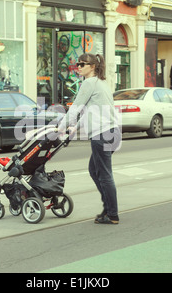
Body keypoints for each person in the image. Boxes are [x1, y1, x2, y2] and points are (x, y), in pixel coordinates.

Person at [58, 53, 121, 224]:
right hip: (113, 132)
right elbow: (90, 111)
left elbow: (76, 107)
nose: (78, 67)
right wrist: (75, 127)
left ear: (92, 66)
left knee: (104, 174)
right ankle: (108, 209)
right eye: (77, 64)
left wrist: (60, 128)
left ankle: (112, 213)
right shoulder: (101, 83)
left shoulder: (89, 83)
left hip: (102, 134)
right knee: (95, 170)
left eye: (82, 64)